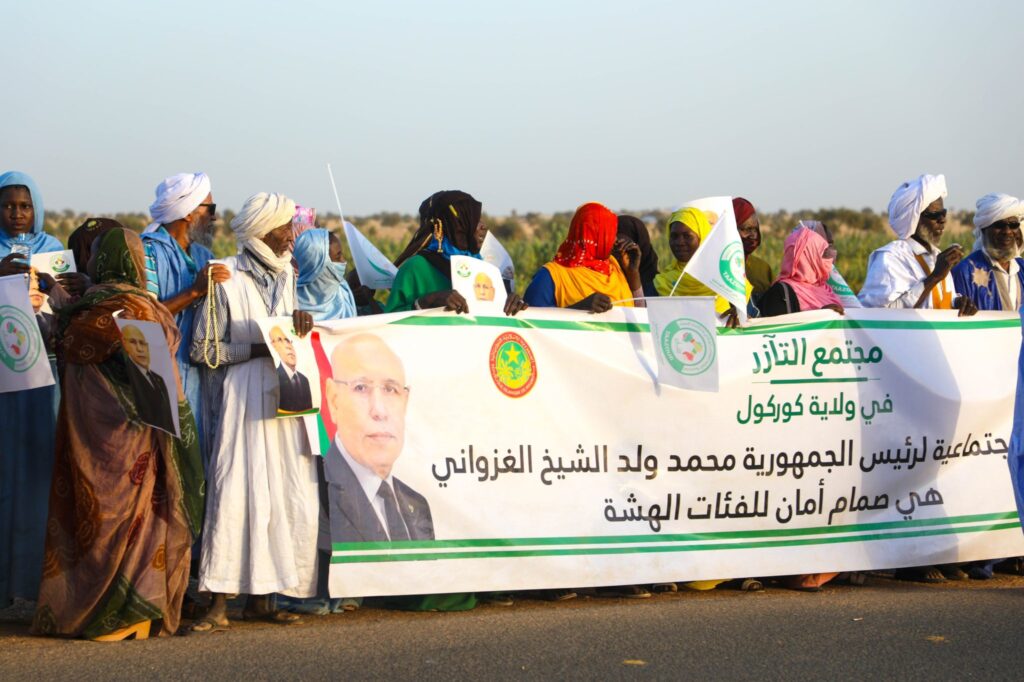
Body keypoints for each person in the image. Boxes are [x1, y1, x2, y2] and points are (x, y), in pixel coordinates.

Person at [32, 227, 203, 640]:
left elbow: (66, 338)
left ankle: (123, 615)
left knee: (109, 520)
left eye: (94, 255)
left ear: (106, 261)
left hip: (106, 440)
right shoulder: (139, 306)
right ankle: (137, 612)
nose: (88, 261)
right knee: (137, 521)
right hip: (132, 437)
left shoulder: (103, 310)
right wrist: (60, 295)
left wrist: (59, 299)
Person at [190, 192, 319, 631]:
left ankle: (264, 599)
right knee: (236, 490)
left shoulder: (288, 275)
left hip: (284, 393)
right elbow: (204, 350)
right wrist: (257, 349)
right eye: (284, 228)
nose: (291, 236)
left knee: (281, 490)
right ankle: (219, 602)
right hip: (241, 397)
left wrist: (298, 323)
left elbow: (286, 332)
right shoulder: (225, 276)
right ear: (261, 231)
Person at [0, 171, 65, 608]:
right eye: (8, 206)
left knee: (40, 475)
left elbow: (69, 311)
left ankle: (35, 586)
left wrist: (54, 290)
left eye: (24, 206)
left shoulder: (53, 252)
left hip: (44, 380)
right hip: (3, 381)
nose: (17, 214)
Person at [141, 172, 230, 455]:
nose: (214, 217)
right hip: (162, 373)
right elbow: (144, 317)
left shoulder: (204, 256)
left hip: (200, 375)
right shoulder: (147, 252)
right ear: (189, 212)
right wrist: (194, 291)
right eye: (210, 208)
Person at [323, 333, 432, 542]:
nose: (379, 411)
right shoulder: (316, 492)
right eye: (361, 388)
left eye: (391, 389)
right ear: (334, 401)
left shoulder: (417, 505)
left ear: (405, 402)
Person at [386, 190, 527, 316]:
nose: (483, 226)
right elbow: (387, 323)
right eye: (472, 219)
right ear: (453, 224)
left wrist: (511, 303)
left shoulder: (483, 267)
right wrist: (427, 302)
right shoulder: (415, 268)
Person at [859, 173, 977, 316]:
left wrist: (958, 303)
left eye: (943, 213)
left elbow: (935, 303)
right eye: (934, 215)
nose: (942, 220)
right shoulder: (890, 257)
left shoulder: (937, 256)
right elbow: (881, 314)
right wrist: (935, 277)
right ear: (914, 218)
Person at [524, 202, 641, 311]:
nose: (615, 239)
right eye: (609, 234)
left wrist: (633, 274)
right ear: (593, 236)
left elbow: (641, 318)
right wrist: (579, 308)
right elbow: (532, 322)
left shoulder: (615, 266)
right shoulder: (551, 276)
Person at [653, 207, 751, 327]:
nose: (679, 242)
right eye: (674, 236)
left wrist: (740, 312)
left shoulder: (728, 280)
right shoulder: (662, 282)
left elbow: (748, 321)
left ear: (703, 237)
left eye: (687, 236)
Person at [952, 193, 1024, 312]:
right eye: (999, 225)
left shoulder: (1021, 268)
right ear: (984, 229)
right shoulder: (964, 272)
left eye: (1013, 225)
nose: (1007, 231)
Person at [758, 226, 845, 317]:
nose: (829, 260)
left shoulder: (826, 289)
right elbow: (777, 325)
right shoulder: (779, 294)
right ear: (806, 257)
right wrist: (820, 316)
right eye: (823, 255)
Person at [121, 324, 176, 433]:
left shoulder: (158, 378)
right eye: (133, 342)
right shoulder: (124, 373)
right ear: (124, 343)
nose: (139, 349)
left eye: (143, 343)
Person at [294, 228, 357, 322]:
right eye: (338, 257)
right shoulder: (289, 305)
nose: (343, 261)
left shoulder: (343, 291)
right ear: (316, 266)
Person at [734, 197, 773, 302]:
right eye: (747, 229)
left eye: (755, 229)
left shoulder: (763, 269)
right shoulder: (718, 269)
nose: (754, 235)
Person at [270, 325, 313, 413]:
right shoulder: (273, 378)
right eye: (280, 340)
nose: (288, 346)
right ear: (274, 345)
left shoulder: (304, 380)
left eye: (289, 341)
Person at [616, 214, 659, 297]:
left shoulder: (659, 285)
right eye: (615, 248)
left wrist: (633, 274)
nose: (621, 256)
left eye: (627, 250)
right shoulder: (605, 281)